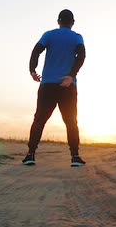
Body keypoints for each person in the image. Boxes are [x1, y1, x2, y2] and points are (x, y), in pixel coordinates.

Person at [22, 9, 87, 167]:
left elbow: (36, 51)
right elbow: (82, 55)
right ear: (73, 22)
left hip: (48, 84)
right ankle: (75, 157)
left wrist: (32, 70)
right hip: (68, 85)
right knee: (71, 121)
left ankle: (30, 155)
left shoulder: (49, 35)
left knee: (39, 120)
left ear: (58, 21)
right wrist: (71, 75)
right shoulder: (77, 37)